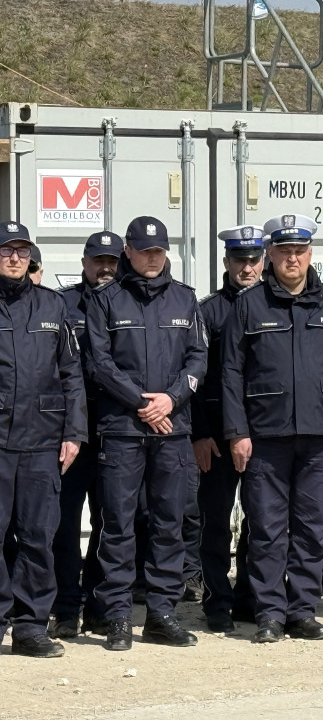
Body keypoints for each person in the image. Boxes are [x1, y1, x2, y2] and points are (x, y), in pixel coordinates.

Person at [222, 214, 323, 643]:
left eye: (299, 251)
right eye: (284, 251)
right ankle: (269, 612)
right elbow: (231, 373)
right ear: (271, 255)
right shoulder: (250, 304)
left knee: (311, 528)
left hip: (321, 438)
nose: (292, 259)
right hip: (265, 439)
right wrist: (237, 432)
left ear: (310, 255)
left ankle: (301, 609)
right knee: (265, 528)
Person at [85, 216, 207, 651]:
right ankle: (118, 615)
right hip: (122, 431)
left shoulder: (185, 300)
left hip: (172, 431)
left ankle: (162, 613)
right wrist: (143, 403)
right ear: (128, 253)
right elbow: (99, 364)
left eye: (159, 251)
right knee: (117, 524)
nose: (152, 258)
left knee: (169, 523)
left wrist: (170, 401)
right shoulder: (105, 300)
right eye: (144, 251)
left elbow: (198, 360)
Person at [0, 221, 87, 658]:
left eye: (20, 251)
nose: (13, 258)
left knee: (37, 538)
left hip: (41, 444)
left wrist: (74, 433)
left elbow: (73, 375)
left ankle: (31, 627)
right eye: (5, 251)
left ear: (30, 257)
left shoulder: (53, 307)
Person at [191, 225, 264, 633]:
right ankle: (217, 600)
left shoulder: (274, 305)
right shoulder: (209, 311)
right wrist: (199, 433)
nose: (248, 267)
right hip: (217, 435)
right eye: (240, 259)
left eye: (254, 260)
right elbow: (194, 379)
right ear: (227, 262)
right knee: (216, 522)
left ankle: (250, 596)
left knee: (260, 521)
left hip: (264, 434)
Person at [50, 231, 121, 638]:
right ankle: (65, 606)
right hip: (71, 434)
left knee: (111, 523)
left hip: (117, 432)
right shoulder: (61, 304)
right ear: (84, 263)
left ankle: (98, 605)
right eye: (99, 260)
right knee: (62, 524)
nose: (106, 268)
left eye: (112, 260)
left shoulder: (127, 302)